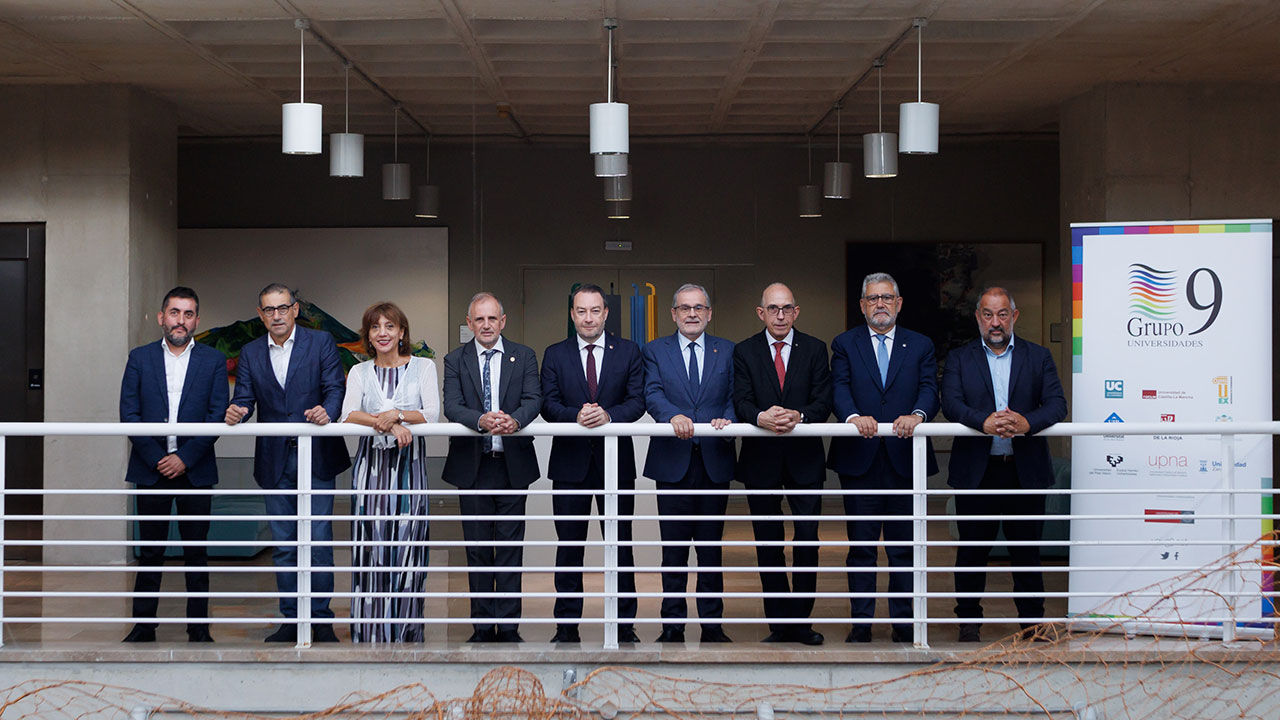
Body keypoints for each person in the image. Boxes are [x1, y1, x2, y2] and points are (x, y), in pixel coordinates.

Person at [225, 283, 350, 643]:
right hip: (274, 459)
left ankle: (321, 620)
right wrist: (238, 410)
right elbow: (245, 396)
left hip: (318, 455)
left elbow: (334, 388)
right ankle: (292, 619)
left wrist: (328, 411)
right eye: (269, 310)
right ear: (261, 314)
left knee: (318, 540)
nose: (276, 315)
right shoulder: (250, 352)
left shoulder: (321, 342)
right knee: (284, 544)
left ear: (295, 310)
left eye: (283, 308)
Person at [942, 287, 1067, 642]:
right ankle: (968, 622)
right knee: (971, 552)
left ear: (1014, 316)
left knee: (1027, 553)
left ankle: (1032, 624)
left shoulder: (1038, 357)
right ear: (977, 317)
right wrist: (982, 421)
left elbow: (1057, 404)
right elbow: (950, 402)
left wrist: (1028, 423)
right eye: (987, 314)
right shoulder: (960, 358)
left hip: (1024, 470)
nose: (994, 323)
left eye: (1001, 314)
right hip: (976, 472)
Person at [827, 272, 939, 643]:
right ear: (862, 305)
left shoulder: (920, 344)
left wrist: (918, 415)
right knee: (860, 547)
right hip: (860, 459)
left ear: (899, 303)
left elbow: (929, 390)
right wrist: (853, 418)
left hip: (905, 459)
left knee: (904, 548)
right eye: (873, 298)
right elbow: (839, 389)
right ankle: (861, 623)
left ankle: (904, 624)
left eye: (887, 298)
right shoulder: (844, 343)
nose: (880, 304)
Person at [120, 286, 228, 643]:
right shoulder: (139, 357)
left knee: (196, 553)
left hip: (195, 471)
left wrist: (183, 458)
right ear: (161, 317)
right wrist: (159, 459)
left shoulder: (212, 360)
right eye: (174, 312)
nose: (180, 320)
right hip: (150, 471)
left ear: (197, 319)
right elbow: (129, 414)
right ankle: (143, 627)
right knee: (150, 552)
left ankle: (199, 629)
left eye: (188, 314)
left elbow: (216, 417)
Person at [540, 284, 645, 644]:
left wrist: (608, 416)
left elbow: (638, 401)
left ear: (606, 313)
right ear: (573, 315)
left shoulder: (629, 352)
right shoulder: (555, 354)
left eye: (595, 310)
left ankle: (624, 624)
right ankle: (566, 626)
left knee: (620, 544)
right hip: (569, 465)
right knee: (569, 547)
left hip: (617, 464)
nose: (588, 318)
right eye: (581, 311)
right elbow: (548, 404)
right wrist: (577, 416)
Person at [732, 282, 831, 646]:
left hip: (804, 459)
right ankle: (779, 623)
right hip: (761, 461)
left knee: (808, 541)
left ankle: (801, 622)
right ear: (761, 313)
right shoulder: (744, 351)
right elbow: (739, 400)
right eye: (773, 309)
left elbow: (825, 400)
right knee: (768, 543)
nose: (780, 315)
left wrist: (799, 416)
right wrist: (761, 417)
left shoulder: (816, 349)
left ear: (796, 312)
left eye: (786, 308)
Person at [441, 292, 542, 643]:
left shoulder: (525, 356)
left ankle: (510, 627)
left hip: (512, 464)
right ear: (470, 324)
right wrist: (481, 419)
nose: (486, 325)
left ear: (503, 321)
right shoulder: (455, 359)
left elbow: (534, 400)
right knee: (478, 548)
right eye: (478, 319)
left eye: (492, 319)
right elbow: (451, 406)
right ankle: (483, 627)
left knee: (512, 549)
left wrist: (514, 421)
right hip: (473, 466)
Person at [340, 302, 439, 643]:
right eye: (375, 327)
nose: (382, 333)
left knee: (409, 550)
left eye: (389, 326)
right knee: (371, 548)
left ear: (402, 332)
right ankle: (370, 635)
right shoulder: (359, 372)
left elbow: (432, 414)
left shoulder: (423, 367)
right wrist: (388, 424)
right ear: (368, 335)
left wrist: (397, 414)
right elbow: (348, 414)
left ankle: (406, 635)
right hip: (370, 473)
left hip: (409, 471)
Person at [642, 283, 736, 644]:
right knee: (674, 550)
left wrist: (728, 419)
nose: (692, 314)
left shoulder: (727, 350)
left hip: (714, 461)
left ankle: (712, 626)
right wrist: (672, 416)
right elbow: (652, 392)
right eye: (685, 308)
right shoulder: (654, 351)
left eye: (699, 308)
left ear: (709, 314)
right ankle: (673, 625)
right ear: (673, 314)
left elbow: (735, 395)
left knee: (711, 549)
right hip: (672, 463)